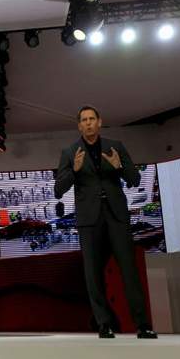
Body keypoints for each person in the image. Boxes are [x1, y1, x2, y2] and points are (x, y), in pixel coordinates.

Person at [54, 106, 157, 339]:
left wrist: (119, 166)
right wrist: (74, 171)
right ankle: (104, 323)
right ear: (79, 126)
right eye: (84, 120)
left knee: (129, 271)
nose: (88, 123)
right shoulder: (69, 153)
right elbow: (58, 189)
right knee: (93, 274)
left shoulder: (115, 146)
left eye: (92, 119)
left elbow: (134, 179)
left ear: (99, 122)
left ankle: (142, 325)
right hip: (89, 220)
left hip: (116, 216)